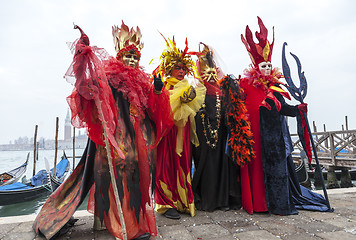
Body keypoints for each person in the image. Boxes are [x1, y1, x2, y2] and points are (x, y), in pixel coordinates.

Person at [33, 22, 173, 240]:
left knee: (136, 180)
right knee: (120, 177)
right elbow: (89, 92)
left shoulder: (142, 82)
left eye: (135, 57)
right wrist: (83, 62)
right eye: (128, 56)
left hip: (137, 142)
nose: (132, 60)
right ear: (119, 56)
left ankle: (135, 222)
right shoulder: (110, 77)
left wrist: (156, 90)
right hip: (116, 139)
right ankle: (124, 227)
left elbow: (154, 112)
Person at [238, 17, 330, 215]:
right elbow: (237, 107)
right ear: (256, 68)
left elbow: (284, 108)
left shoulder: (276, 88)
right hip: (253, 138)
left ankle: (276, 203)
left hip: (273, 141)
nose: (267, 68)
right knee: (256, 171)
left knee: (275, 172)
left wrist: (299, 110)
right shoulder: (245, 86)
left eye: (269, 66)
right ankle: (258, 203)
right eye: (263, 66)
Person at [192, 43, 254, 211]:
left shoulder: (223, 92)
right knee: (207, 167)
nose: (212, 77)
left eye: (214, 73)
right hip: (205, 138)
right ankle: (209, 200)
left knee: (224, 166)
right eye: (208, 73)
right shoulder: (197, 92)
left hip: (222, 136)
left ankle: (225, 200)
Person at [154, 36, 206, 219]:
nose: (182, 71)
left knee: (183, 165)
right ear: (170, 68)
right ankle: (165, 203)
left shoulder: (188, 87)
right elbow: (158, 109)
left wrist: (188, 101)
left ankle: (182, 201)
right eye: (178, 67)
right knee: (166, 166)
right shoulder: (164, 86)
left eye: (184, 68)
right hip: (167, 135)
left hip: (182, 135)